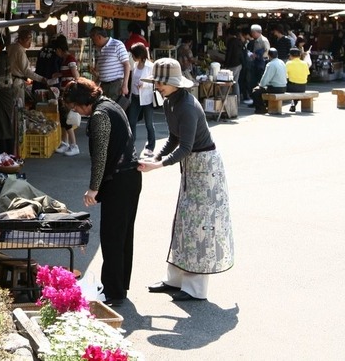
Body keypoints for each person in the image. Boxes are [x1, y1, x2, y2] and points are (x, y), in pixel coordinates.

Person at [138, 58, 234, 302]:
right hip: (192, 165)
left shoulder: (188, 106)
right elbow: (173, 138)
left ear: (173, 83)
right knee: (184, 222)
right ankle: (175, 280)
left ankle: (195, 289)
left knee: (200, 226)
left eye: (160, 82)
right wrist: (155, 157)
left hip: (205, 166)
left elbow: (186, 146)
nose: (157, 86)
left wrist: (158, 164)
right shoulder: (172, 102)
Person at [62, 77, 141, 307]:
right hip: (131, 176)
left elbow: (100, 156)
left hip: (119, 179)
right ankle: (119, 286)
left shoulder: (99, 116)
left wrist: (93, 189)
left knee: (112, 236)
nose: (76, 111)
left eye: (75, 106)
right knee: (124, 235)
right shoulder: (112, 104)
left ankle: (114, 291)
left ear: (83, 101)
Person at [51, 36, 81, 156]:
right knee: (63, 119)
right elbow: (68, 73)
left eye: (56, 50)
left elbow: (76, 76)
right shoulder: (65, 60)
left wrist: (72, 90)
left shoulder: (70, 59)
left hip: (68, 93)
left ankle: (74, 145)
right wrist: (58, 74)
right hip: (64, 92)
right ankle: (65, 143)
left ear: (59, 49)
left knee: (67, 119)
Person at [126, 44, 157, 156]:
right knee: (131, 121)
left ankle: (150, 147)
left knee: (149, 123)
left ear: (139, 54)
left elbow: (155, 81)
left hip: (146, 98)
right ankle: (131, 145)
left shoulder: (151, 66)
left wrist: (143, 84)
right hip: (135, 96)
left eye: (134, 55)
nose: (132, 57)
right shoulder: (134, 65)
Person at [89, 27, 130, 102]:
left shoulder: (117, 44)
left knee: (112, 107)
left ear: (99, 37)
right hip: (104, 85)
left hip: (115, 84)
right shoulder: (100, 49)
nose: (93, 42)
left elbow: (126, 65)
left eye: (93, 39)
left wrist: (125, 85)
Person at [251, 48, 287, 114]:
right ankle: (267, 106)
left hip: (275, 88)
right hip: (283, 87)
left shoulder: (270, 64)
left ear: (269, 55)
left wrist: (261, 85)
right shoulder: (282, 62)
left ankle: (261, 109)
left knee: (255, 91)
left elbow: (266, 78)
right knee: (265, 90)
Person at [285, 47, 310, 112]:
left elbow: (284, 75)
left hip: (291, 87)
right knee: (296, 87)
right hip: (303, 87)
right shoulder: (305, 63)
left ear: (290, 55)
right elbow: (307, 74)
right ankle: (293, 105)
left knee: (285, 84)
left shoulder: (289, 63)